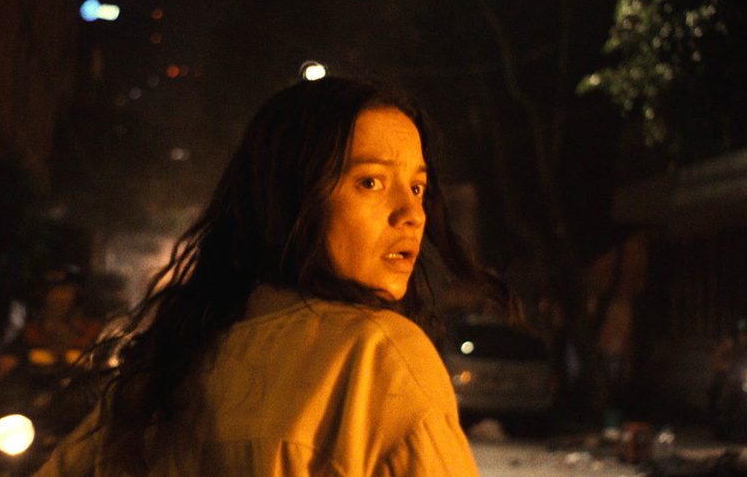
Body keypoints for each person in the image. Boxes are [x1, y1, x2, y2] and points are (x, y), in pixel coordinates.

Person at [36, 76, 510, 476]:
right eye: (370, 181)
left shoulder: (173, 359)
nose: (412, 213)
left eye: (418, 187)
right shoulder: (378, 356)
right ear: (293, 197)